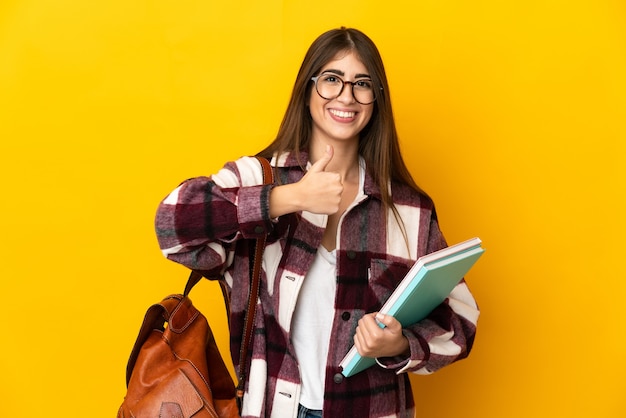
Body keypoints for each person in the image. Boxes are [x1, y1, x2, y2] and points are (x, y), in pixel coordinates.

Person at [155, 27, 479, 418]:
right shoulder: (258, 180)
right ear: (307, 89)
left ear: (376, 99)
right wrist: (287, 198)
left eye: (362, 83)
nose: (346, 96)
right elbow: (171, 227)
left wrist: (398, 345)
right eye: (331, 79)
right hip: (274, 408)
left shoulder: (409, 209)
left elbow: (461, 319)